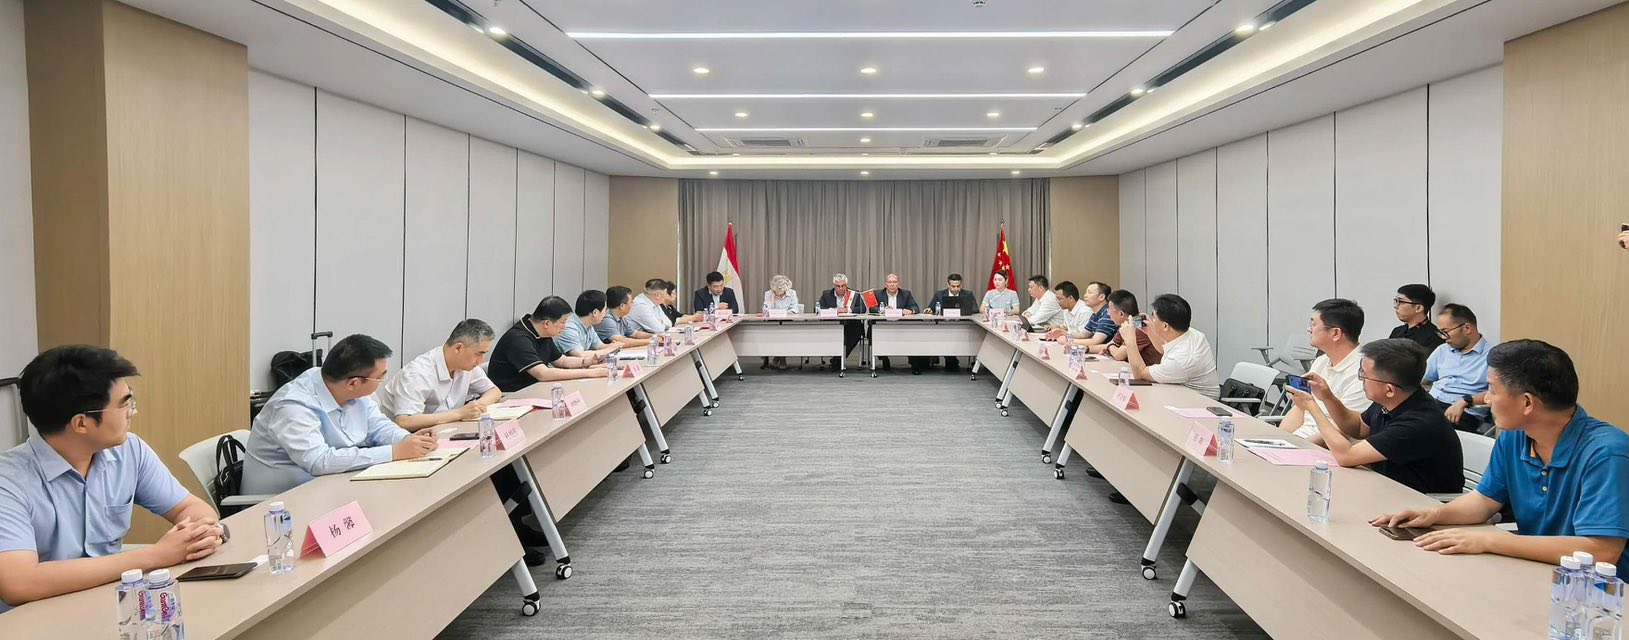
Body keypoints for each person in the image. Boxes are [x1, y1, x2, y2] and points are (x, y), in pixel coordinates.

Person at [0, 346, 225, 612]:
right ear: (81, 423)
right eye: (124, 404)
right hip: (33, 619)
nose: (132, 411)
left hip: (113, 605)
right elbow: (19, 583)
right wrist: (156, 555)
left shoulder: (129, 450)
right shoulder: (9, 480)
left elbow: (191, 508)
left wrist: (198, 534)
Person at [1371, 340, 1629, 566]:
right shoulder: (1515, 436)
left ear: (1527, 402)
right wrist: (1434, 514)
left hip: (1597, 591)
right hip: (1535, 568)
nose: (1486, 399)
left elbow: (1601, 551)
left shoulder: (1606, 452)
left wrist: (1490, 540)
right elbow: (1484, 501)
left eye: (1492, 390)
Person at [243, 335, 437, 495]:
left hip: (329, 486)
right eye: (380, 377)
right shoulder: (293, 405)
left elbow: (378, 426)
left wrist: (409, 440)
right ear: (353, 383)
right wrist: (395, 452)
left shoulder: (349, 389)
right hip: (278, 503)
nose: (382, 381)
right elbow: (319, 461)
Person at [1289, 338, 1462, 494]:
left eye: (1364, 375)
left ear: (1389, 389)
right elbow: (1358, 427)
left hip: (1419, 502)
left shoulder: (1418, 423)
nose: (1361, 379)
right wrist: (1327, 396)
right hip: (1385, 488)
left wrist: (1312, 407)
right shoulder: (1394, 400)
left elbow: (1346, 456)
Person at [372, 319, 502, 433]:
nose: (480, 360)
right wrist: (459, 413)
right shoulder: (417, 373)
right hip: (405, 439)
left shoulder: (466, 366)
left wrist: (477, 407)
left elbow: (494, 391)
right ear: (458, 348)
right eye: (478, 354)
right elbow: (405, 421)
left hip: (445, 431)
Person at [1279, 299, 1372, 446]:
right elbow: (1300, 409)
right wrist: (1279, 441)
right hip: (1300, 443)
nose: (1309, 329)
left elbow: (1345, 431)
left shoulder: (1365, 372)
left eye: (1314, 324)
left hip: (1327, 450)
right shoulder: (1321, 361)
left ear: (1335, 333)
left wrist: (1296, 448)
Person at [488, 296, 613, 392]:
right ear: (547, 323)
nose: (565, 326)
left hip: (535, 388)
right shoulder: (518, 339)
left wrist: (589, 362)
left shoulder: (542, 333)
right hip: (514, 394)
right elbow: (543, 374)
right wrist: (589, 373)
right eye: (563, 322)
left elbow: (562, 361)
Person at [1119, 294, 1220, 399]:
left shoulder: (1181, 359)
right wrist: (1150, 331)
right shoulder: (1192, 333)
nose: (1152, 320)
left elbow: (1140, 374)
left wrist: (1130, 340)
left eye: (1154, 317)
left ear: (1165, 326)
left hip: (1199, 402)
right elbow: (1165, 349)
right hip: (1181, 393)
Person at [1423, 303, 1494, 434]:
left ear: (1467, 328)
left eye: (1446, 332)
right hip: (1431, 402)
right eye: (1440, 333)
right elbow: (1423, 379)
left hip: (1462, 410)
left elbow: (1497, 393)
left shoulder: (1492, 356)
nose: (1443, 338)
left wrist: (1465, 401)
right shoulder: (1442, 350)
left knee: (1422, 430)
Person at [922, 273, 980, 372]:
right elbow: (931, 307)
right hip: (944, 326)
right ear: (948, 285)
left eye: (958, 286)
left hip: (962, 326)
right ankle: (951, 360)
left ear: (961, 284)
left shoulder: (968, 294)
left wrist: (961, 311)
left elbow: (975, 309)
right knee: (944, 336)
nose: (956, 289)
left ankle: (951, 360)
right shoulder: (939, 294)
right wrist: (929, 310)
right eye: (953, 286)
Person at [1090, 290, 1160, 365]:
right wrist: (1087, 348)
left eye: (1109, 309)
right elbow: (1111, 344)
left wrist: (1110, 347)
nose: (1108, 313)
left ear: (1121, 313)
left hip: (1148, 370)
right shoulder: (1127, 324)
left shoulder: (1139, 326)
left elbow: (1118, 355)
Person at [870, 273, 920, 372]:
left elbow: (915, 307)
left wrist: (910, 310)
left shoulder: (906, 294)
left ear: (898, 284)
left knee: (912, 336)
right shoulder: (878, 294)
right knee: (873, 332)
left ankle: (914, 363)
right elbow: (871, 308)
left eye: (894, 282)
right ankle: (884, 358)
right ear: (885, 284)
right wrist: (882, 310)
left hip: (902, 326)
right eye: (889, 282)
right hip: (883, 325)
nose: (892, 284)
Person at [816, 273, 866, 370]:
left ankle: (837, 359)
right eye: (838, 286)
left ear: (846, 285)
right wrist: (833, 310)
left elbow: (862, 309)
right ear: (834, 286)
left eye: (843, 285)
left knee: (855, 334)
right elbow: (819, 310)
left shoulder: (854, 294)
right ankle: (837, 360)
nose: (841, 288)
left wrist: (847, 310)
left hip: (851, 324)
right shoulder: (826, 294)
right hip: (833, 324)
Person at [554, 290, 621, 359]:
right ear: (595, 312)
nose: (606, 313)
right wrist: (608, 350)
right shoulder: (569, 328)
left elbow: (598, 346)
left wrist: (613, 346)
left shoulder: (588, 325)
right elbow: (580, 355)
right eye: (605, 310)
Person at [760, 275, 799, 370]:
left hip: (788, 321)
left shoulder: (792, 293)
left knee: (783, 333)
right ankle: (781, 358)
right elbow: (765, 311)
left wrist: (782, 313)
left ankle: (779, 357)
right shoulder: (768, 294)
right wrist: (772, 300)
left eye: (782, 292)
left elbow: (795, 309)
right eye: (778, 293)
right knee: (777, 333)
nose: (780, 295)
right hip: (772, 322)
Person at [1389, 284, 1444, 351]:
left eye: (1401, 302)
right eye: (1396, 301)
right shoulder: (1396, 331)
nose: (1396, 306)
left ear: (1418, 308)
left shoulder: (1434, 337)